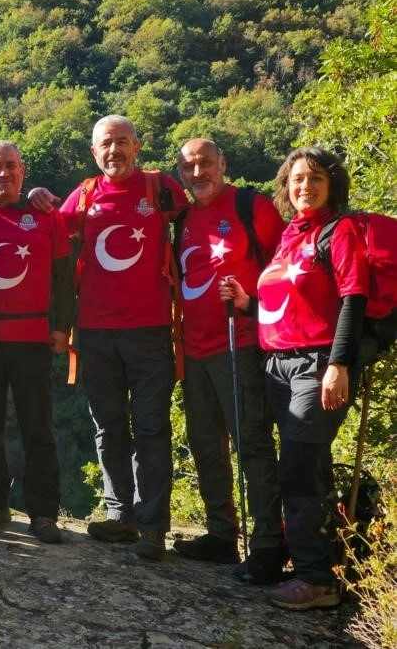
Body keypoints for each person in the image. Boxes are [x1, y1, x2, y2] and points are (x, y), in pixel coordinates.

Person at [32, 115, 189, 560]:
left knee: (152, 426)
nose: (114, 150)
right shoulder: (85, 194)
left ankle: (153, 527)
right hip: (96, 332)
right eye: (106, 143)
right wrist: (35, 196)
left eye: (122, 141)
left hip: (150, 331)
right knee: (108, 426)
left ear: (137, 147)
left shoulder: (160, 188)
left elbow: (195, 226)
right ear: (94, 151)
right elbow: (50, 232)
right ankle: (121, 515)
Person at [223, 147, 368, 610]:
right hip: (277, 365)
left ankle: (315, 579)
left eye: (316, 177)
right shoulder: (291, 236)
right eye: (298, 178)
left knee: (298, 469)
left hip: (318, 365)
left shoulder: (339, 231)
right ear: (286, 185)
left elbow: (353, 299)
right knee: (310, 466)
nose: (306, 186)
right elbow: (287, 303)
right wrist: (247, 302)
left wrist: (339, 365)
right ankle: (323, 564)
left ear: (332, 184)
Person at [171, 139, 286, 580]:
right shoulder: (183, 219)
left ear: (223, 164)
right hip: (195, 348)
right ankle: (221, 534)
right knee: (205, 444)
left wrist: (252, 304)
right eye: (188, 167)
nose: (197, 173)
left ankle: (268, 543)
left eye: (205, 163)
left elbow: (287, 268)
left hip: (242, 343)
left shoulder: (250, 206)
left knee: (252, 444)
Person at [0, 141, 74, 545]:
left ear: (23, 170)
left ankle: (43, 513)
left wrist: (63, 326)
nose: (4, 174)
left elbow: (64, 277)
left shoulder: (46, 217)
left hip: (32, 339)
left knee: (37, 428)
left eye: (11, 166)